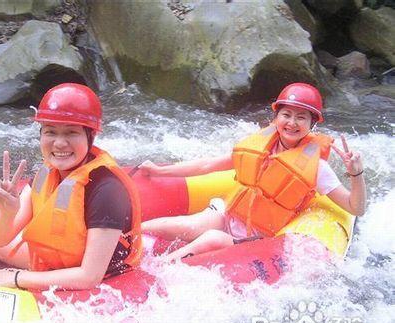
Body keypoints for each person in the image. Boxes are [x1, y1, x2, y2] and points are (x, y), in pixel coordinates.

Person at [139, 82, 366, 261]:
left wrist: (356, 174)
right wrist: (159, 171)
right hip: (230, 215)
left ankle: (157, 269)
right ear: (276, 117)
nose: (292, 123)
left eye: (301, 117)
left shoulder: (317, 168)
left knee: (212, 239)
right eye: (286, 114)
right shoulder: (258, 148)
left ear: (311, 124)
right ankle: (129, 238)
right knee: (184, 225)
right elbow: (207, 165)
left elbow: (355, 208)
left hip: (258, 236)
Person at [0, 83, 142, 290]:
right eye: (50, 132)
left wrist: (15, 278)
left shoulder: (107, 189)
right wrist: (7, 213)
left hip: (102, 276)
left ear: (90, 136)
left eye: (71, 133)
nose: (59, 143)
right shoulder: (47, 173)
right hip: (58, 261)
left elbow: (89, 276)